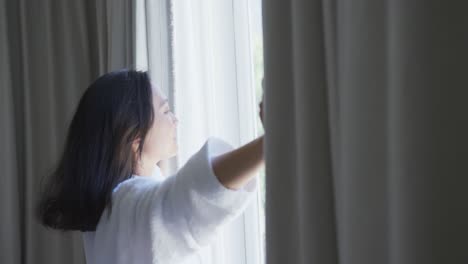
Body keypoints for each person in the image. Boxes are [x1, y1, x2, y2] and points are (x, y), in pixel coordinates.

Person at [36, 69, 265, 263]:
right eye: (165, 111)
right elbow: (192, 198)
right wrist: (269, 141)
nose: (175, 120)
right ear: (134, 136)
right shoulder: (126, 204)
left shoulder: (109, 210)